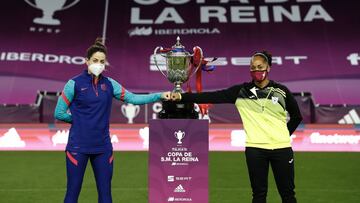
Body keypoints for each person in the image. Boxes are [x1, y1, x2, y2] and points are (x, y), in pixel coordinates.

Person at [171, 51, 302, 203]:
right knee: (259, 195)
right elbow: (211, 96)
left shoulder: (282, 91)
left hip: (282, 149)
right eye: (253, 67)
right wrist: (182, 96)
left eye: (260, 67)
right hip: (255, 149)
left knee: (288, 195)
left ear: (269, 67)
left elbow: (297, 117)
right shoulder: (241, 92)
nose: (256, 70)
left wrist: (284, 135)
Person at [54, 38, 170, 203]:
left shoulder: (110, 84)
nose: (99, 64)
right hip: (77, 148)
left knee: (106, 196)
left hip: (103, 148)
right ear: (87, 61)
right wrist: (80, 121)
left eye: (102, 61)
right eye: (95, 60)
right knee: (72, 195)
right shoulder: (73, 84)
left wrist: (159, 95)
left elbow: (133, 98)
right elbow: (59, 113)